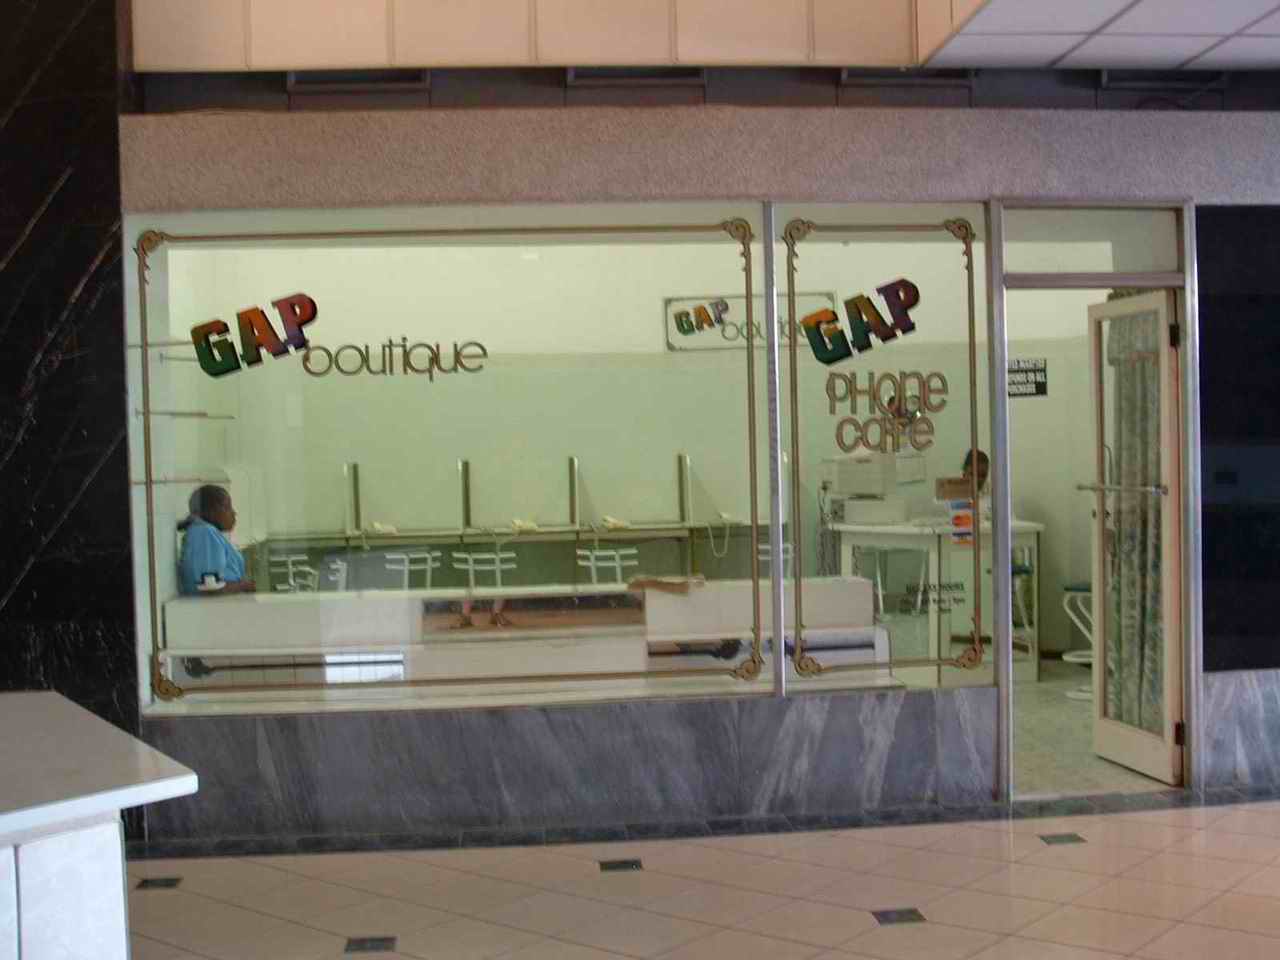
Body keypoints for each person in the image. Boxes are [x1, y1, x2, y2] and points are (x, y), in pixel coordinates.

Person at [178, 485, 256, 596]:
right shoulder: (204, 532)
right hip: (210, 606)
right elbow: (209, 587)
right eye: (228, 507)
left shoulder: (206, 532)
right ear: (212, 510)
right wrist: (244, 585)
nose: (234, 513)